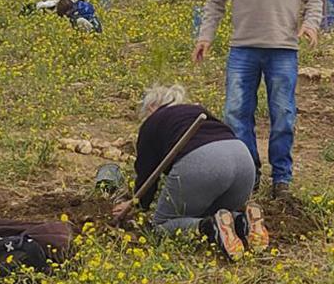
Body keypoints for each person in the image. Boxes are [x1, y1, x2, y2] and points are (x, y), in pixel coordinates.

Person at [194, 0, 322, 200]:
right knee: (236, 113)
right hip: (244, 48)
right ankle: (247, 173)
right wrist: (205, 35)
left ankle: (282, 179)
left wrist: (311, 23)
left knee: (283, 114)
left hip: (283, 49)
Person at [110, 85, 266, 261]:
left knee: (161, 224)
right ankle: (243, 220)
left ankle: (209, 227)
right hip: (243, 160)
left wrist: (137, 205)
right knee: (215, 212)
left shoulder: (153, 122)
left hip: (204, 162)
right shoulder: (197, 111)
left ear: (152, 106)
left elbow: (147, 173)